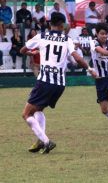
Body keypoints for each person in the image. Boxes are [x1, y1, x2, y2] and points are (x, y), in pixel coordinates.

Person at [19, 12, 96, 154]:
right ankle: (41, 140)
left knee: (26, 114)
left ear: (50, 23)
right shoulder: (67, 39)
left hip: (44, 81)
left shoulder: (41, 36)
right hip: (59, 84)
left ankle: (46, 142)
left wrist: (33, 52)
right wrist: (90, 69)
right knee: (38, 110)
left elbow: (22, 50)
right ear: (62, 25)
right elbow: (78, 58)